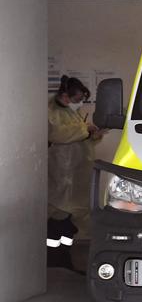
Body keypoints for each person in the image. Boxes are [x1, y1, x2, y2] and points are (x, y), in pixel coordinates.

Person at [48, 75, 106, 266]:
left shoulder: (71, 112)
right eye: (76, 99)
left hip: (76, 170)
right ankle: (56, 259)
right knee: (59, 217)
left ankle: (64, 257)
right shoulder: (51, 111)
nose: (79, 103)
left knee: (70, 218)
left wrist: (94, 134)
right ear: (65, 95)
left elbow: (81, 136)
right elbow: (59, 134)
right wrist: (85, 129)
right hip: (61, 171)